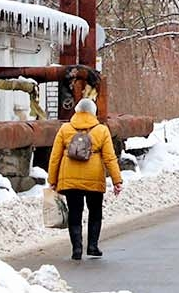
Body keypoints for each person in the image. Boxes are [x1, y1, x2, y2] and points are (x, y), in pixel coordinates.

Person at [48, 97, 123, 260]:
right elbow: (110, 157)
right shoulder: (102, 130)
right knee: (95, 211)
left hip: (69, 177)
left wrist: (52, 180)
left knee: (75, 212)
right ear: (93, 112)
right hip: (93, 177)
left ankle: (76, 249)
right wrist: (117, 181)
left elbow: (55, 157)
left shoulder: (65, 129)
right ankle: (93, 246)